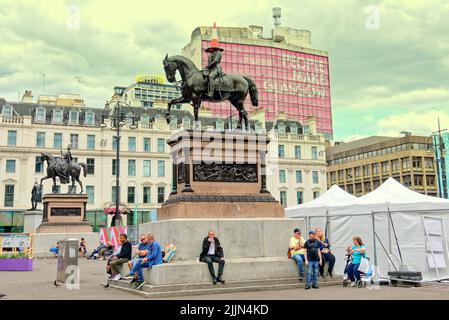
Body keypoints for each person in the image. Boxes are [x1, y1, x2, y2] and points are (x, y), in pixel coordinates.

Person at [203, 22, 223, 98]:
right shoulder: (211, 55)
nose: (211, 49)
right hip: (211, 69)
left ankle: (211, 92)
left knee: (211, 77)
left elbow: (215, 62)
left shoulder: (218, 53)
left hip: (216, 69)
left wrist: (207, 67)